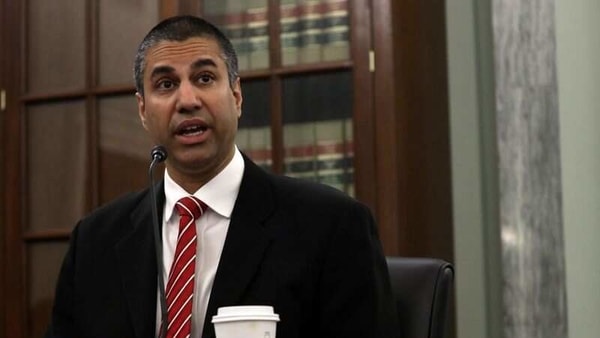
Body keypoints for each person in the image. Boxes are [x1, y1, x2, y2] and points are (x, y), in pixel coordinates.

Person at [45, 15, 399, 338]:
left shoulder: (332, 225)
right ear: (142, 110)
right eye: (166, 84)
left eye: (204, 78)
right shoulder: (95, 242)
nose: (187, 100)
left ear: (237, 95)